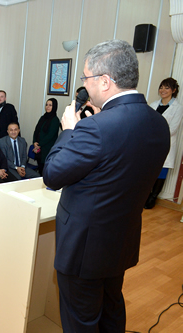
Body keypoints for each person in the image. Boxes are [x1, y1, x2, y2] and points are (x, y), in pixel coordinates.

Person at [43, 39, 170, 333]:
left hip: (84, 249)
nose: (84, 86)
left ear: (104, 81)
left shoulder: (96, 128)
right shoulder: (157, 123)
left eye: (86, 78)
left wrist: (69, 133)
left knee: (81, 321)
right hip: (120, 241)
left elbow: (52, 174)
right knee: (111, 311)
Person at [145, 78, 183, 209]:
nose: (163, 90)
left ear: (174, 90)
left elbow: (172, 129)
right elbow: (146, 123)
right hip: (150, 144)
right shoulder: (153, 105)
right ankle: (144, 195)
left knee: (161, 172)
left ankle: (153, 198)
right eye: (161, 87)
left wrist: (154, 133)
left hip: (166, 144)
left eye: (167, 88)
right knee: (148, 170)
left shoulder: (178, 108)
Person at [33, 98, 60, 175]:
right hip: (39, 148)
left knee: (45, 170)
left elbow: (50, 136)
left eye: (50, 105)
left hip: (47, 149)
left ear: (54, 107)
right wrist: (34, 142)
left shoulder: (55, 120)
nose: (47, 107)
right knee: (40, 169)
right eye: (46, 105)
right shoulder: (43, 117)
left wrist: (39, 145)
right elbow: (36, 131)